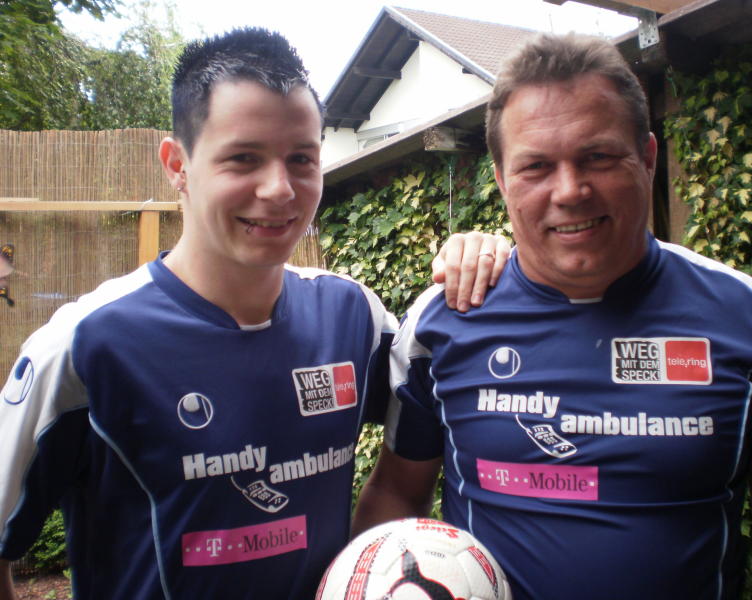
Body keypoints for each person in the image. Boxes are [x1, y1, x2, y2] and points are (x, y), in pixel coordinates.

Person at [0, 28, 509, 600]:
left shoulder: (353, 317)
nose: (279, 189)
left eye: (302, 159)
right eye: (244, 158)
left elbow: (457, 392)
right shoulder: (83, 347)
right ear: (177, 164)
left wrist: (485, 257)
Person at [353, 32, 752, 600]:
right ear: (502, 180)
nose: (570, 191)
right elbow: (396, 494)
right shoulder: (443, 322)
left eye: (598, 157)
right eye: (536, 166)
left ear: (648, 158)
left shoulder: (749, 320)